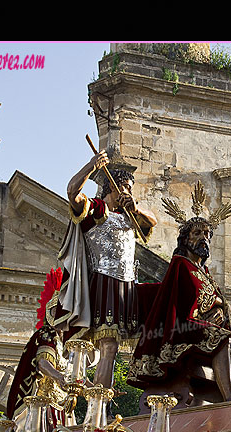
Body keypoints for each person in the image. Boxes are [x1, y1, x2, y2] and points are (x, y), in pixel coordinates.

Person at [127, 183, 231, 411]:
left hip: (201, 329)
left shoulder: (204, 272)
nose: (203, 238)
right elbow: (183, 303)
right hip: (181, 329)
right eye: (197, 233)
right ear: (185, 239)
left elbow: (216, 304)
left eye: (206, 234)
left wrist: (222, 308)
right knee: (221, 339)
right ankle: (230, 401)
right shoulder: (180, 265)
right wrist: (216, 306)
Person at [48, 150, 157, 389]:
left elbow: (152, 222)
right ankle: (100, 401)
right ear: (112, 188)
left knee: (113, 347)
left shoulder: (130, 217)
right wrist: (91, 166)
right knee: (109, 344)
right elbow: (72, 193)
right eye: (125, 187)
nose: (128, 193)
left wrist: (136, 209)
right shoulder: (98, 210)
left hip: (127, 286)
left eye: (130, 188)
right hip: (104, 283)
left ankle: (101, 398)